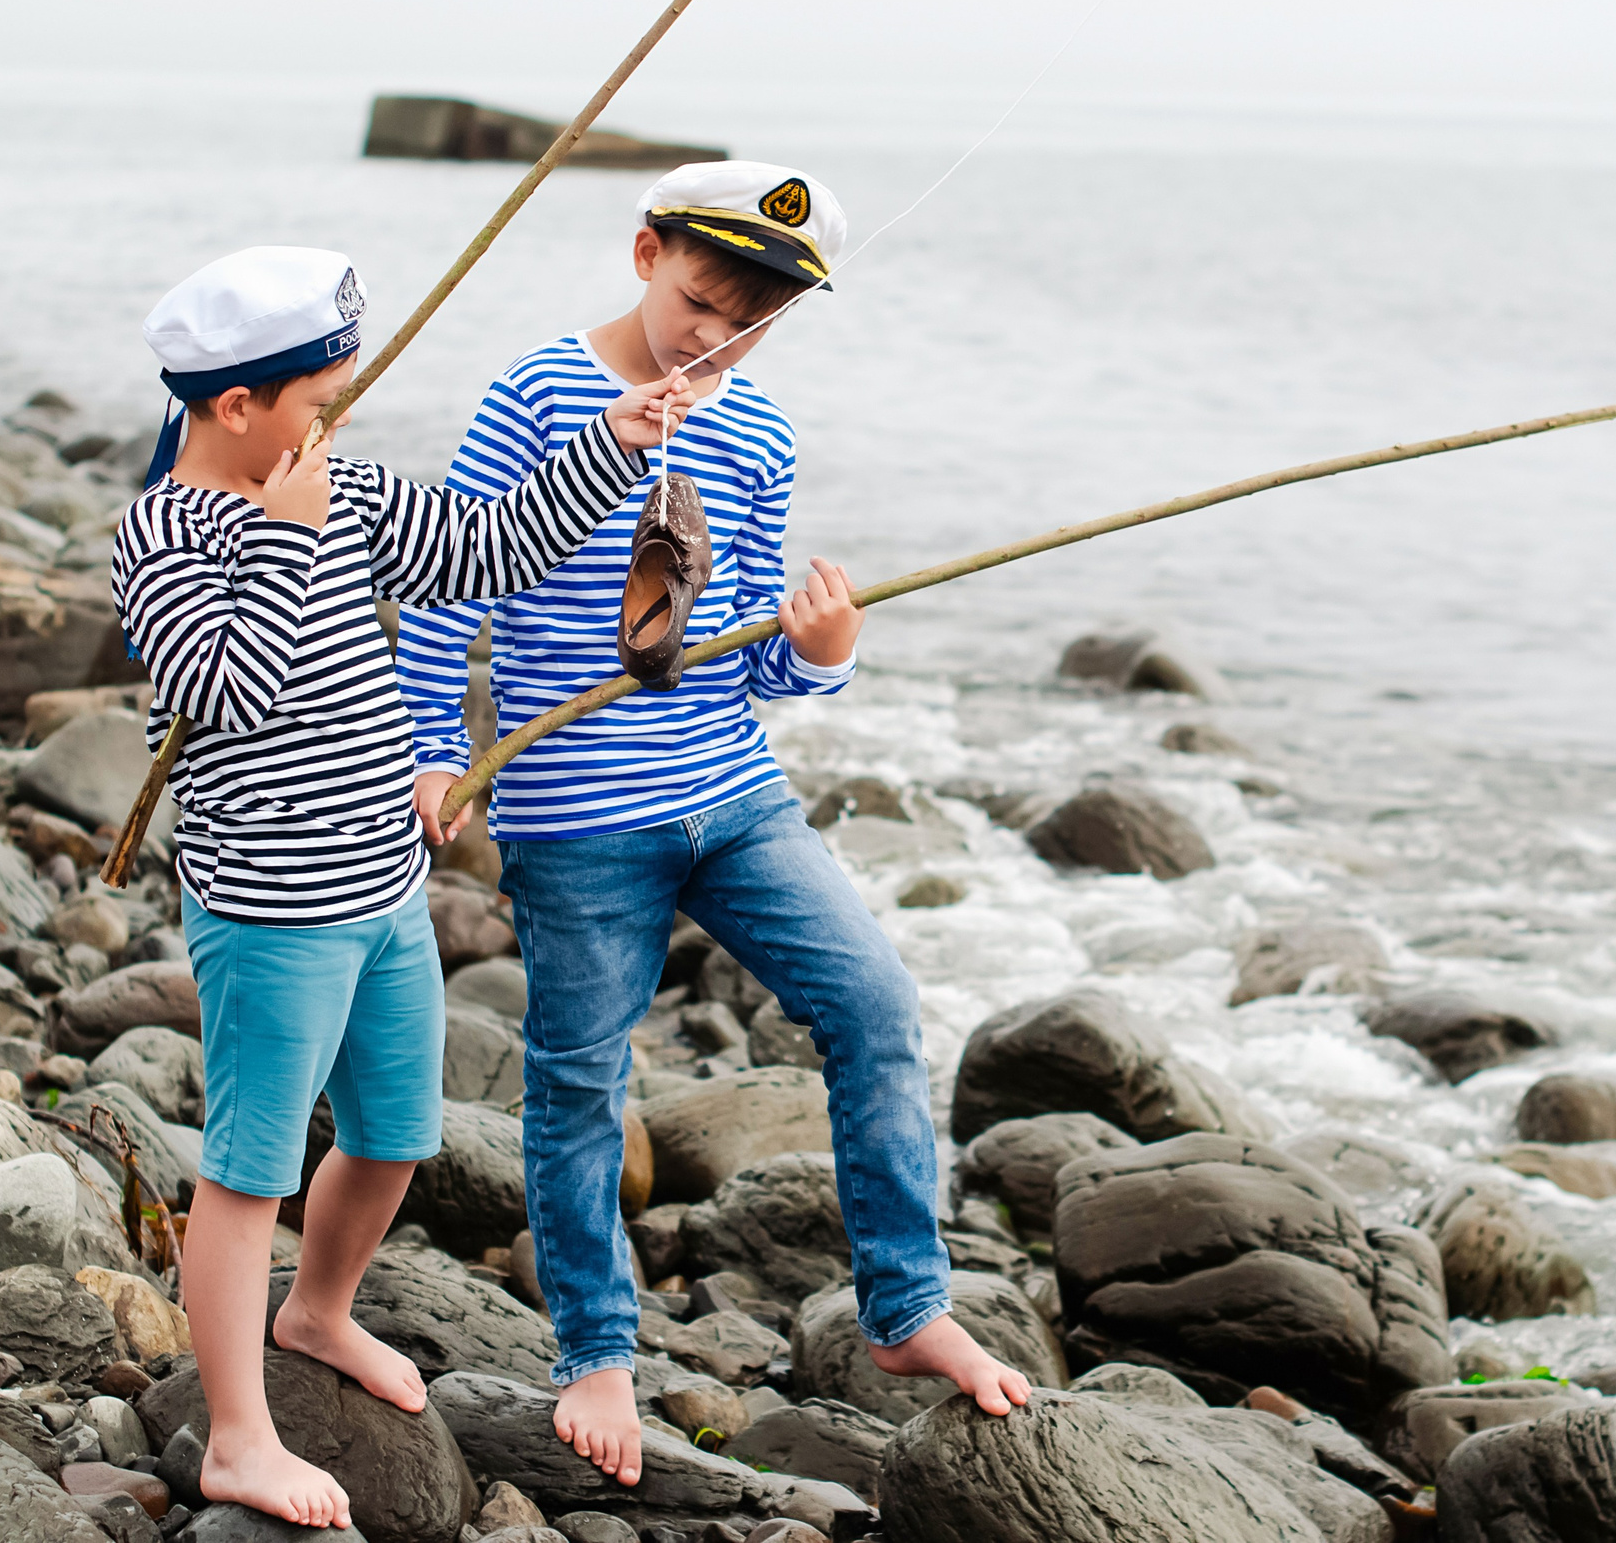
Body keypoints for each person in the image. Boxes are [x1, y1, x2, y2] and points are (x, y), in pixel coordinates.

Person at [395, 164, 1031, 1489]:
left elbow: (740, 657)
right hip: (577, 817)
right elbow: (455, 581)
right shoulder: (535, 390)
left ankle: (907, 1308)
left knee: (873, 1001)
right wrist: (430, 755)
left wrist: (826, 653)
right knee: (579, 1085)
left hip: (734, 796)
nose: (711, 338)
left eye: (751, 323)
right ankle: (597, 1350)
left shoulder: (761, 436)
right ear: (644, 253)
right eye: (698, 300)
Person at [115, 245, 693, 1530]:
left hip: (382, 882)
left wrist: (608, 440)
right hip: (270, 908)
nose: (338, 422)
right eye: (321, 399)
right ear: (234, 409)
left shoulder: (350, 486)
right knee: (246, 1172)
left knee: (391, 1136)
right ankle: (237, 1436)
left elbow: (487, 550)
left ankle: (317, 1311)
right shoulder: (163, 535)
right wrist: (282, 542)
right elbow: (221, 693)